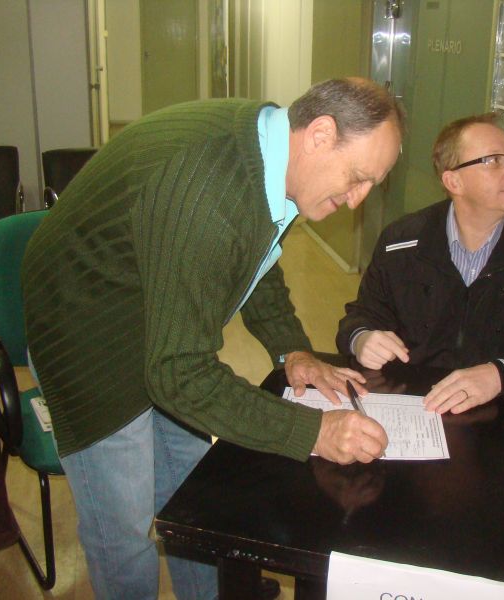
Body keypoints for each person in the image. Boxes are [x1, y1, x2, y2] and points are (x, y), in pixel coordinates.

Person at [22, 78, 403, 600]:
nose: (358, 200)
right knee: (126, 531)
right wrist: (313, 431)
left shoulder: (271, 156)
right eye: (357, 179)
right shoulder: (211, 191)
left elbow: (257, 256)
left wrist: (292, 348)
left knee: (194, 500)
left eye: (371, 185)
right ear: (319, 134)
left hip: (158, 319)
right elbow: (178, 373)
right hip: (88, 335)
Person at [336, 112, 504, 415]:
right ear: (453, 181)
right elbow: (362, 315)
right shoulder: (401, 242)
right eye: (494, 161)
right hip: (418, 410)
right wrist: (362, 338)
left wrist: (502, 375)